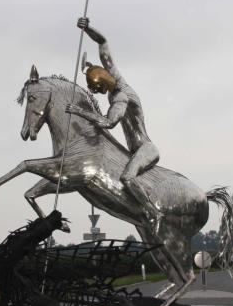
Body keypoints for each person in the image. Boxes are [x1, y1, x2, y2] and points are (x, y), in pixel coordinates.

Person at [65, 17, 162, 229]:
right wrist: (88, 28)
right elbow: (103, 43)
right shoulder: (115, 77)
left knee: (127, 178)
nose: (100, 93)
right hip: (134, 151)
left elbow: (109, 123)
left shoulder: (121, 97)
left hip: (145, 149)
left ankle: (153, 213)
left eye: (98, 90)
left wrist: (80, 111)